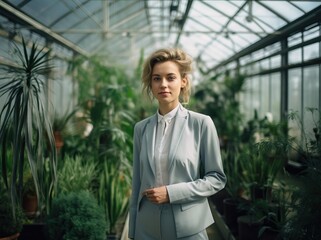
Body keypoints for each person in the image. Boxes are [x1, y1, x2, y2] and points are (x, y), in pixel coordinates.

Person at [128, 48, 226, 240]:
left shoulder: (201, 123)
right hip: (146, 228)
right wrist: (133, 230)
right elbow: (137, 182)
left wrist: (171, 193)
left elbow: (216, 178)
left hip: (188, 228)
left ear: (183, 81)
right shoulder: (141, 128)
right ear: (150, 83)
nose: (163, 84)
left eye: (170, 77)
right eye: (156, 78)